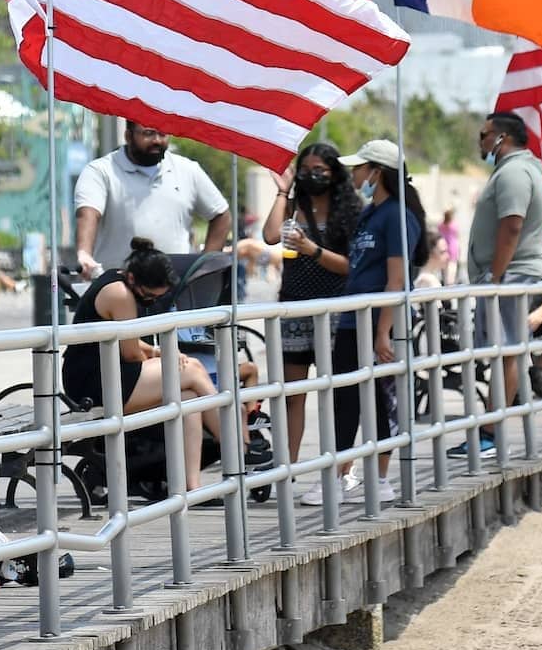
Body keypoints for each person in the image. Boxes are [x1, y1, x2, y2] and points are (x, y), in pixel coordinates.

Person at [62, 239, 214, 497]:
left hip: (108, 375)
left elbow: (131, 344)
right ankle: (240, 450)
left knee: (188, 398)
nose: (151, 301)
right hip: (93, 383)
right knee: (193, 369)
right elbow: (131, 353)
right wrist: (162, 359)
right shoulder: (120, 294)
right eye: (150, 296)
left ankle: (192, 487)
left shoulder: (119, 279)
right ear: (133, 279)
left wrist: (157, 352)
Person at [331, 141, 428, 504]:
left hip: (376, 322)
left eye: (360, 168)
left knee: (379, 399)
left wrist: (383, 332)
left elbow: (396, 279)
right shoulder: (370, 212)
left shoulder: (398, 215)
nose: (355, 175)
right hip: (351, 320)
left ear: (377, 172)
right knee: (345, 397)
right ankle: (341, 473)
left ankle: (381, 476)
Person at [260, 142, 359, 473]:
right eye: (306, 171)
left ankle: (341, 469)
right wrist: (282, 193)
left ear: (334, 174)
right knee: (292, 395)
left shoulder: (349, 210)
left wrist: (311, 249)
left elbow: (351, 266)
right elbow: (271, 236)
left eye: (320, 171)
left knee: (337, 393)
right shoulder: (294, 206)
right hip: (293, 311)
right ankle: (286, 468)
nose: (312, 177)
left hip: (335, 312)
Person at [457, 114, 542, 455]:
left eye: (484, 135)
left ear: (501, 138)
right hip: (507, 272)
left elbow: (512, 226)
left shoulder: (513, 172)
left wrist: (495, 276)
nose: (480, 141)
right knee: (504, 353)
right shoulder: (518, 170)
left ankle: (491, 435)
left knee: (504, 354)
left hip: (508, 273)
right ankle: (490, 431)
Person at [72, 121, 232, 277]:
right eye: (148, 133)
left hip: (174, 286)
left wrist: (205, 265)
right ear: (128, 136)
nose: (156, 140)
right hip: (119, 284)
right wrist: (84, 254)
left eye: (162, 134)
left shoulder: (188, 170)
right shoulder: (101, 171)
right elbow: (88, 213)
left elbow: (220, 215)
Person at [434, 207, 464, 284]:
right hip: (453, 247)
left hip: (444, 247)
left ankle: (446, 283)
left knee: (444, 269)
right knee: (452, 268)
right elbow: (457, 236)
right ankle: (450, 284)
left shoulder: (440, 225)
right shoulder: (453, 225)